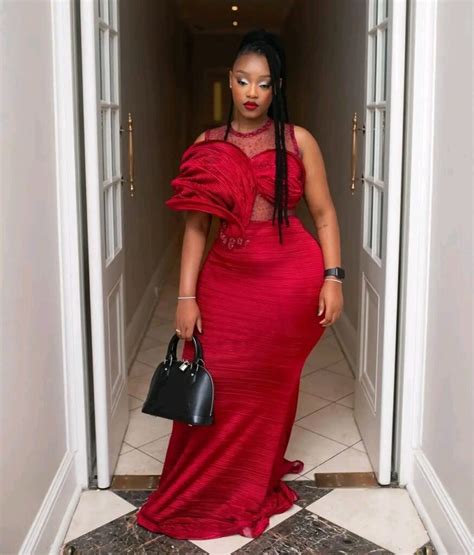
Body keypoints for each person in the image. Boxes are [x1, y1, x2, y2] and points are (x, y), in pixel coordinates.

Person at [135, 28, 344, 540]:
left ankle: (251, 477)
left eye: (264, 83)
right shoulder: (207, 145)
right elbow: (195, 228)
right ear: (230, 81)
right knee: (219, 380)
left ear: (276, 88)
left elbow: (323, 214)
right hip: (226, 279)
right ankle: (205, 486)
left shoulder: (298, 141)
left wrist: (332, 277)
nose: (252, 92)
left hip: (289, 281)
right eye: (244, 80)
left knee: (268, 389)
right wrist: (186, 297)